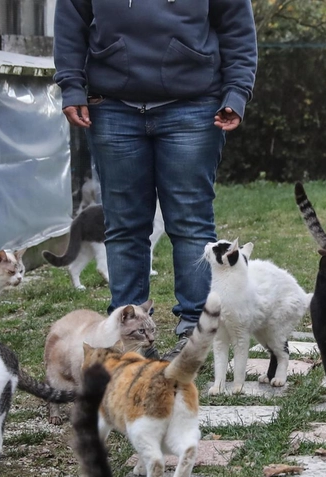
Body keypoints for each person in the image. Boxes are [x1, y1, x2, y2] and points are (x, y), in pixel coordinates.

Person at [54, 0, 257, 359]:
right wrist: (71, 85)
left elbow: (236, 25)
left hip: (194, 106)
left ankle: (197, 330)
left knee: (191, 222)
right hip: (112, 106)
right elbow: (71, 20)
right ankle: (126, 334)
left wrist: (236, 91)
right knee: (123, 225)